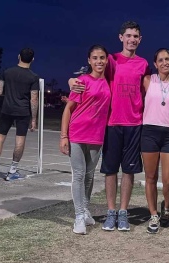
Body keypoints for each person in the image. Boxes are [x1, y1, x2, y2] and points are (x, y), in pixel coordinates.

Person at [68, 21, 150, 231]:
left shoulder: (143, 64)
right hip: (112, 123)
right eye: (128, 35)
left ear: (140, 40)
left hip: (134, 123)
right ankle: (111, 212)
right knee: (110, 171)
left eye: (136, 36)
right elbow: (91, 74)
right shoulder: (111, 60)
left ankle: (123, 212)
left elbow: (154, 84)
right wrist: (71, 81)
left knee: (129, 172)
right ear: (121, 37)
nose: (132, 39)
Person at [60, 45, 111, 235]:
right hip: (77, 134)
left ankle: (86, 209)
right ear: (89, 60)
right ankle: (78, 216)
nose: (99, 61)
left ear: (106, 60)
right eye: (95, 58)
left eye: (102, 58)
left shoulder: (109, 82)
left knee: (90, 176)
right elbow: (68, 109)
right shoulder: (82, 81)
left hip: (97, 136)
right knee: (79, 175)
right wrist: (63, 136)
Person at [0, 48, 39, 181]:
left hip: (7, 109)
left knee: (0, 137)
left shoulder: (7, 72)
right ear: (32, 59)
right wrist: (34, 119)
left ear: (18, 56)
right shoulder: (33, 77)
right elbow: (34, 98)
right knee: (19, 140)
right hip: (23, 112)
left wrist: (8, 94)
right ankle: (12, 171)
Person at [142, 48, 169, 234]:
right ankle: (154, 214)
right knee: (150, 177)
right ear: (155, 64)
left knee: (168, 180)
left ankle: (166, 208)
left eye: (168, 59)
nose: (164, 62)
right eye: (160, 60)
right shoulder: (147, 80)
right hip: (149, 131)